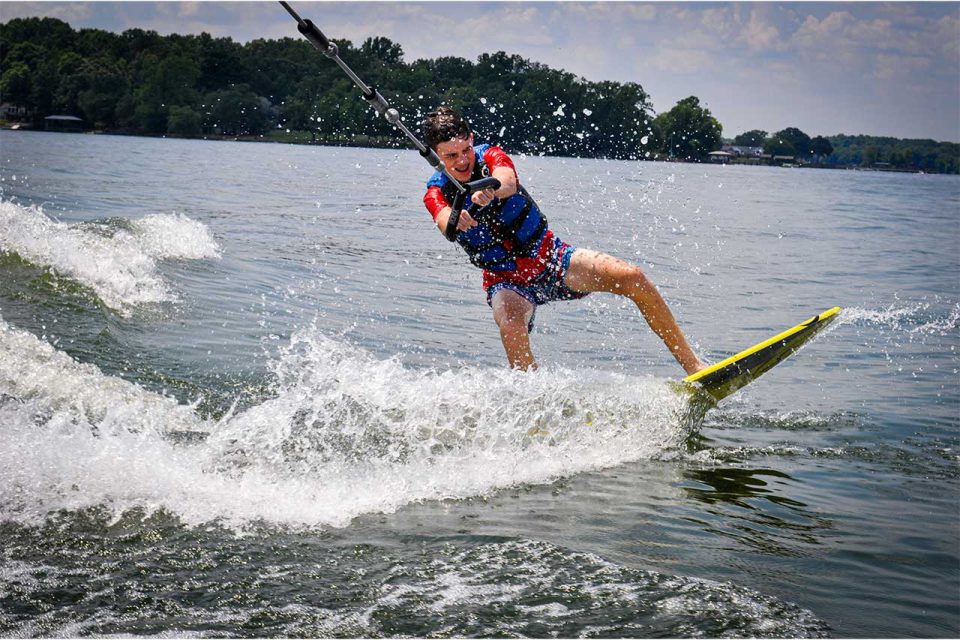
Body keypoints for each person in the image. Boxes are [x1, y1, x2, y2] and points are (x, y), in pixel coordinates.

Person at [421, 106, 706, 375]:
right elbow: (443, 219)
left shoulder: (491, 156)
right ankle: (533, 403)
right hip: (506, 281)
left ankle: (695, 367)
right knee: (510, 325)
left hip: (551, 259)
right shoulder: (436, 190)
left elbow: (507, 180)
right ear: (436, 157)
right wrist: (456, 217)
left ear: (472, 139)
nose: (462, 160)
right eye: (450, 156)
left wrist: (490, 190)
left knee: (633, 277)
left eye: (465, 149)